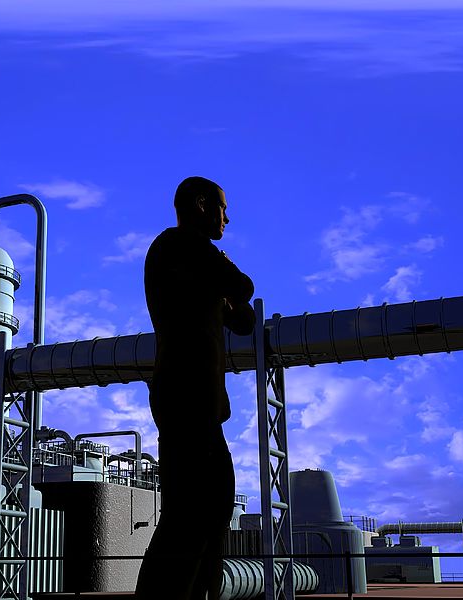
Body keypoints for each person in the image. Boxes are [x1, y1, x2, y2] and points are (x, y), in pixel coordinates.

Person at [135, 176, 256, 600]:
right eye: (223, 207)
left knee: (212, 505)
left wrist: (220, 286)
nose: (229, 217)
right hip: (185, 395)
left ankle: (197, 592)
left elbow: (243, 320)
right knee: (191, 512)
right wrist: (221, 269)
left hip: (195, 400)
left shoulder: (191, 266)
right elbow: (243, 287)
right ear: (202, 205)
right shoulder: (179, 244)